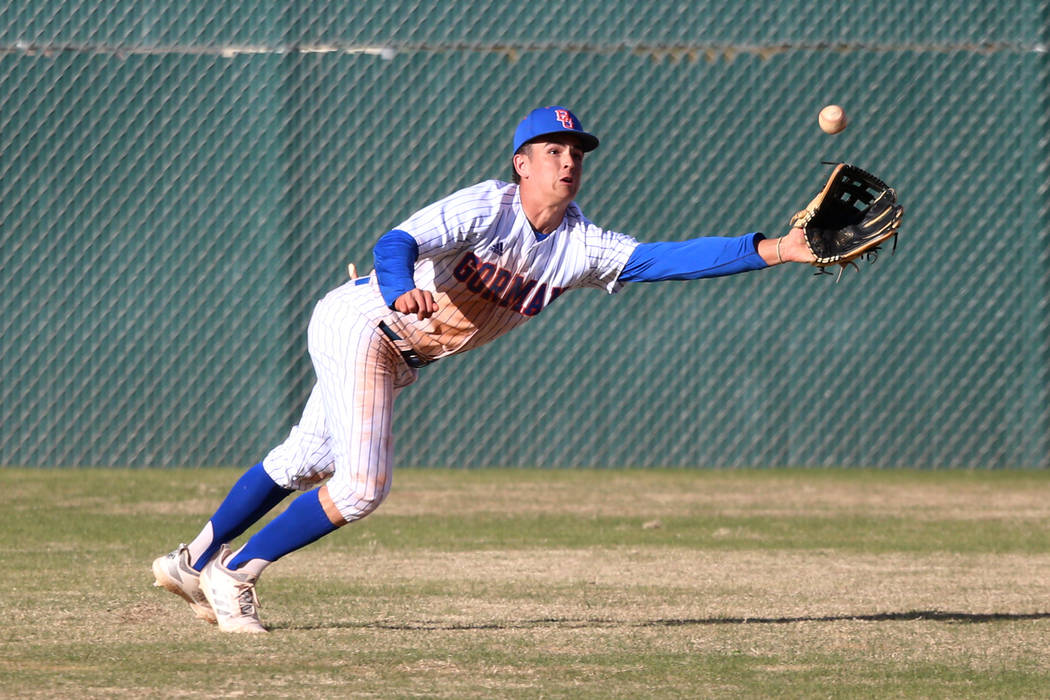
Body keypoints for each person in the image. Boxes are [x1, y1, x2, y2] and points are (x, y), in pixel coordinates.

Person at [151, 105, 817, 633]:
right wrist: (394, 284)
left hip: (398, 349)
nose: (568, 161)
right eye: (554, 151)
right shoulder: (488, 205)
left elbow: (669, 259)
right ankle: (234, 573)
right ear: (521, 164)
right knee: (360, 488)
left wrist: (778, 249)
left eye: (576, 152)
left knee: (304, 460)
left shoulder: (582, 247)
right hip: (364, 323)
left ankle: (191, 560)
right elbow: (399, 241)